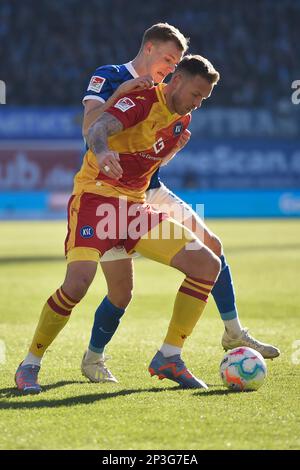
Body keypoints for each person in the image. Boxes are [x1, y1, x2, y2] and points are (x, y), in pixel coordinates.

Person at [79, 23, 280, 384]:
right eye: (168, 58)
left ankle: (232, 331)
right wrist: (120, 94)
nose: (171, 68)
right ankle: (91, 357)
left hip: (150, 189)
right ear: (150, 48)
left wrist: (170, 151)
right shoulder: (111, 77)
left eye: (177, 63)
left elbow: (153, 150)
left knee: (213, 250)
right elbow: (91, 128)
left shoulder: (169, 92)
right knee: (120, 293)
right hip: (108, 191)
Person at [15, 54, 222, 393]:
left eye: (204, 99)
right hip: (95, 200)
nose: (198, 104)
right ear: (179, 81)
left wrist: (171, 153)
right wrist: (102, 152)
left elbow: (149, 161)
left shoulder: (181, 122)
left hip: (134, 209)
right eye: (197, 95)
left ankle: (169, 356)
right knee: (78, 284)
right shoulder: (141, 99)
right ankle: (30, 364)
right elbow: (98, 129)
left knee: (206, 264)